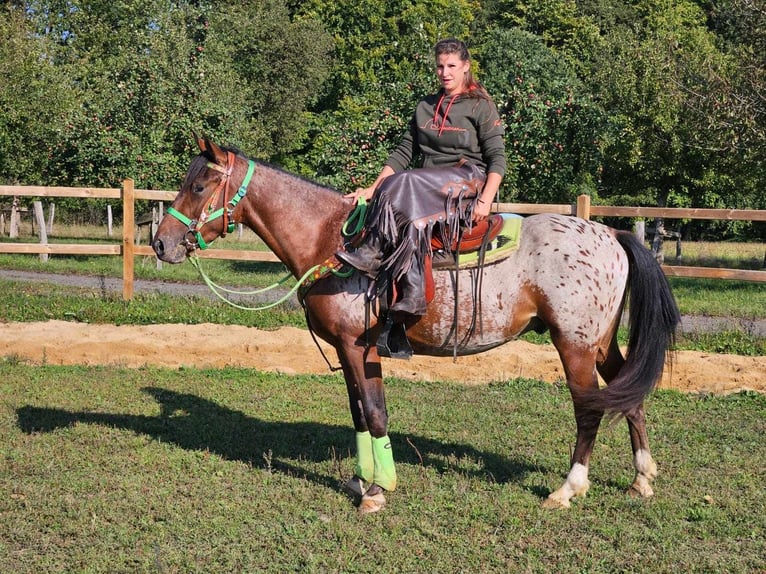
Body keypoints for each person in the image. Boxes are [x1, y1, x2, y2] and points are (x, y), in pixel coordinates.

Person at [337, 38, 506, 323]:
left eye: (452, 66)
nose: (445, 72)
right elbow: (403, 152)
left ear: (465, 67)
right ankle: (413, 293)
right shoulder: (425, 107)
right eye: (440, 66)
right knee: (409, 207)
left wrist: (486, 199)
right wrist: (372, 188)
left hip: (468, 180)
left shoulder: (481, 106)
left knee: (408, 181)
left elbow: (497, 159)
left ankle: (372, 251)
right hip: (428, 186)